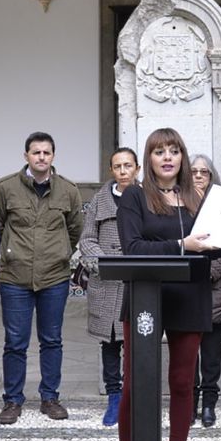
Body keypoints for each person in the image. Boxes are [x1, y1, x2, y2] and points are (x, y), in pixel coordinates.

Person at [99, 128, 217, 441]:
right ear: (148, 160)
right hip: (147, 296)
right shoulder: (135, 196)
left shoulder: (199, 197)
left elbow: (210, 252)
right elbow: (132, 247)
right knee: (134, 383)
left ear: (183, 157)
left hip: (189, 296)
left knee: (183, 383)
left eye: (174, 151)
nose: (167, 158)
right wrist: (183, 245)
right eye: (159, 151)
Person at [0, 132, 84, 425]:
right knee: (15, 341)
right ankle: (12, 400)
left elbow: (75, 229)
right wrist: (9, 253)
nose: (41, 157)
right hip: (15, 277)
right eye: (36, 152)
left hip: (54, 277)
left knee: (52, 339)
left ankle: (50, 397)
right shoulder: (6, 188)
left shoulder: (68, 190)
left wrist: (59, 253)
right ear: (26, 156)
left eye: (46, 152)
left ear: (53, 156)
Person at [80, 146, 140, 426]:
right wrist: (102, 262)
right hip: (106, 282)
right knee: (110, 342)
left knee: (136, 340)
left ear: (137, 169)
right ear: (111, 170)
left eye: (128, 166)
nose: (123, 171)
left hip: (137, 282)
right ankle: (114, 396)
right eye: (118, 166)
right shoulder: (99, 201)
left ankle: (134, 395)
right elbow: (87, 239)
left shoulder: (147, 197)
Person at [191, 155, 221, 426]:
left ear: (212, 177)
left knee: (211, 353)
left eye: (204, 172)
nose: (198, 176)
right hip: (187, 288)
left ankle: (209, 403)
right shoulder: (177, 204)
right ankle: (190, 403)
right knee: (187, 354)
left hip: (216, 287)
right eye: (194, 171)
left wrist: (209, 272)